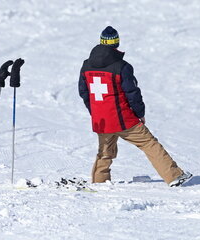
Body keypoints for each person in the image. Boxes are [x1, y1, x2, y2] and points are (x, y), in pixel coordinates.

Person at [78, 26, 192, 187]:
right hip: (124, 119)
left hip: (101, 119)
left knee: (105, 152)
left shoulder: (86, 66)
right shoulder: (122, 67)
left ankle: (99, 182)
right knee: (149, 143)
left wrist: (95, 112)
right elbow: (132, 94)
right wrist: (140, 113)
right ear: (116, 43)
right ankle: (174, 176)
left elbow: (83, 92)